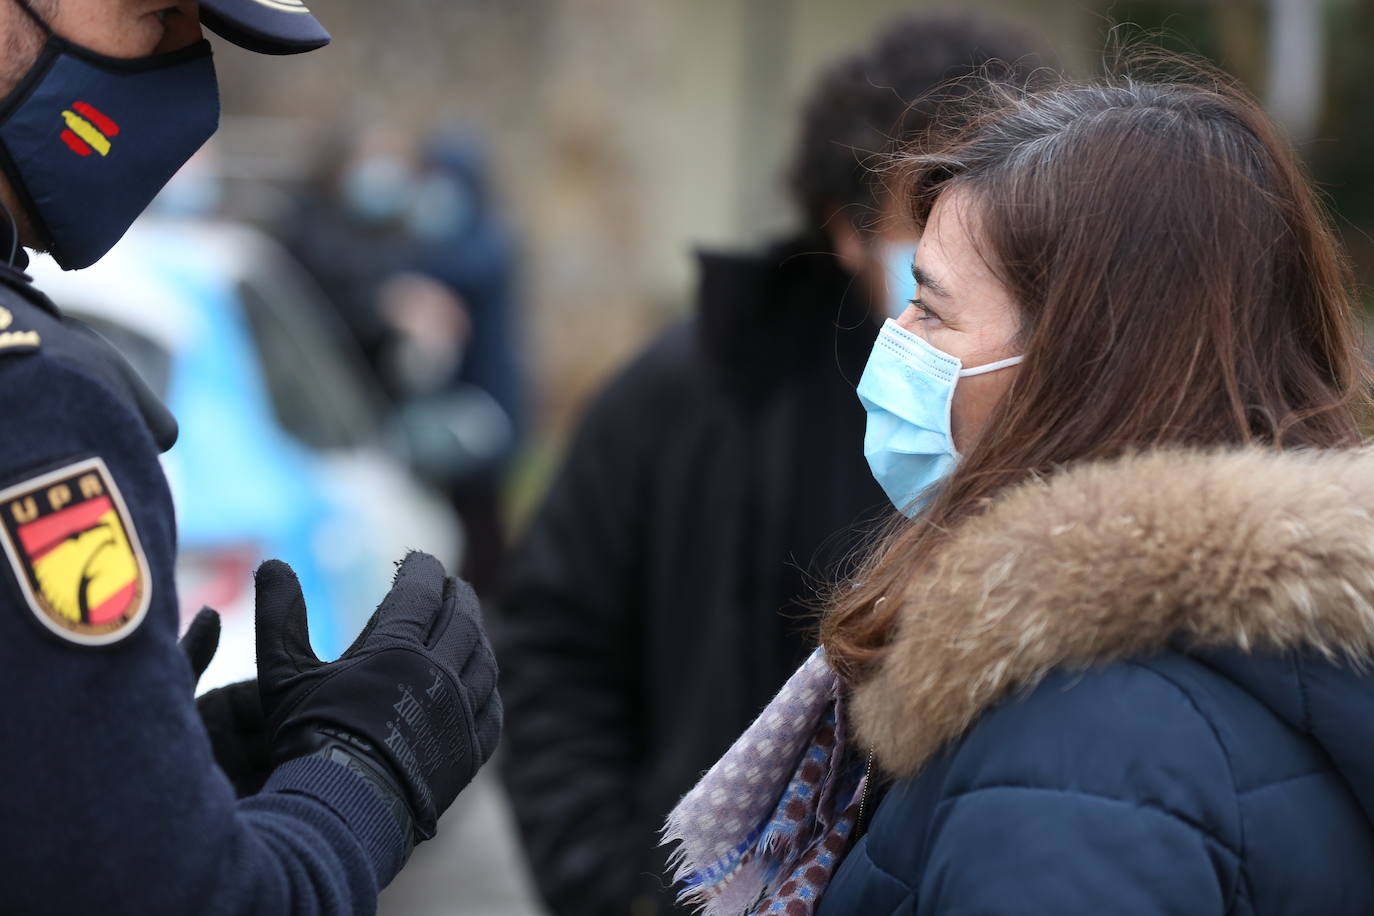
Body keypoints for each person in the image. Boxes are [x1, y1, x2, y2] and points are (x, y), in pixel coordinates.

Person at [664, 60, 1374, 916]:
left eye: (930, 308)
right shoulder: (1234, 664)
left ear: (1083, 367)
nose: (896, 340)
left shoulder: (1085, 750)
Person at [499, 12, 1054, 915]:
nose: (968, 249)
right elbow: (552, 651)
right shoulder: (691, 393)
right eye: (929, 227)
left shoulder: (1063, 401)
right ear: (848, 227)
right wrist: (624, 888)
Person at [0, 1, 500, 913]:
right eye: (156, 19)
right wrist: (369, 774)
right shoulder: (35, 404)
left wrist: (178, 764)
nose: (186, 82)